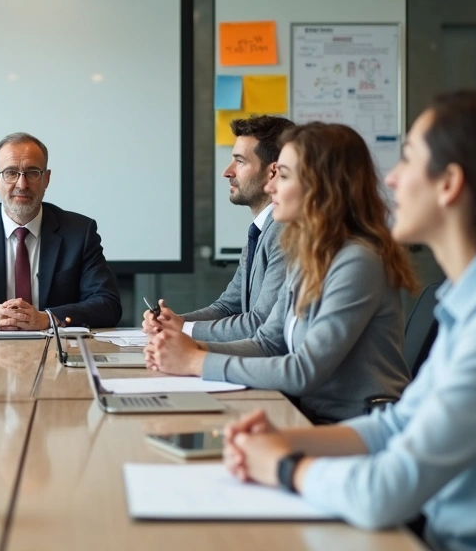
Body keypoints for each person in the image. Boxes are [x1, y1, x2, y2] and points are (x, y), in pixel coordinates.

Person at [223, 91, 476, 550]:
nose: (391, 180)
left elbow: (384, 493)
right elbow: (398, 426)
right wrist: (286, 437)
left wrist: (282, 464)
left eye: (409, 160)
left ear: (450, 183)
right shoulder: (471, 299)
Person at [145, 123, 416, 423]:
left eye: (283, 176)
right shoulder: (311, 254)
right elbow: (268, 343)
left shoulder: (358, 261)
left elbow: (303, 371)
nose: (271, 185)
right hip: (310, 416)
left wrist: (196, 360)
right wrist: (190, 347)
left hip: (356, 427)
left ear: (322, 186)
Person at [0, 132, 122, 331]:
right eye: (10, 173)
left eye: (32, 172)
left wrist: (47, 319)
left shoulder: (79, 232)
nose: (22, 184)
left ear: (46, 179)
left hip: (54, 352)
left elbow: (108, 304)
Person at [143, 115, 294, 342]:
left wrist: (182, 330)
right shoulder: (260, 230)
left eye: (240, 161)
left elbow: (260, 323)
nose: (227, 171)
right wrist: (174, 322)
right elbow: (227, 307)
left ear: (272, 172)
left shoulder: (284, 231)